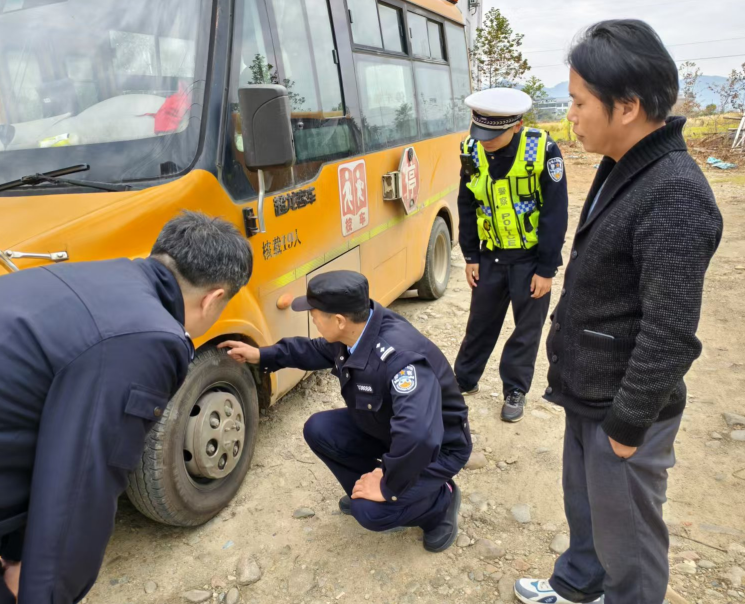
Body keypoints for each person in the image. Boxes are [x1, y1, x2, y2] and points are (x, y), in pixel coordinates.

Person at [0, 212, 252, 604]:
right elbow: (82, 482)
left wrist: (17, 555)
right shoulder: (149, 338)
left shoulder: (102, 278)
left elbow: (42, 434)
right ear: (215, 298)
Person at [514, 20, 723, 604]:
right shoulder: (623, 164)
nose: (571, 115)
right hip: (590, 388)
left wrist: (629, 427)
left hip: (625, 409)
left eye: (579, 103)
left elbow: (671, 331)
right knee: (586, 508)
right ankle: (578, 583)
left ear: (627, 106)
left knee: (627, 535)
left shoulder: (675, 190)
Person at [220, 270, 472, 552]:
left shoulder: (399, 358)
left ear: (338, 320)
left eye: (315, 313)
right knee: (319, 430)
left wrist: (388, 485)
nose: (312, 318)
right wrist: (262, 355)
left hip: (438, 449)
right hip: (391, 429)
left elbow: (420, 436)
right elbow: (315, 351)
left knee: (371, 513)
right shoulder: (357, 329)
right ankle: (374, 490)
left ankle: (439, 504)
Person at [454, 87, 568, 422]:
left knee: (526, 330)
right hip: (490, 256)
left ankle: (515, 389)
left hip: (530, 260)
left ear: (516, 125)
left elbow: (554, 213)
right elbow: (467, 203)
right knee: (480, 322)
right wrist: (471, 256)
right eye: (480, 131)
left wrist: (546, 268)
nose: (484, 139)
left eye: (493, 133)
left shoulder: (543, 150)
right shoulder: (470, 149)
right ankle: (463, 379)